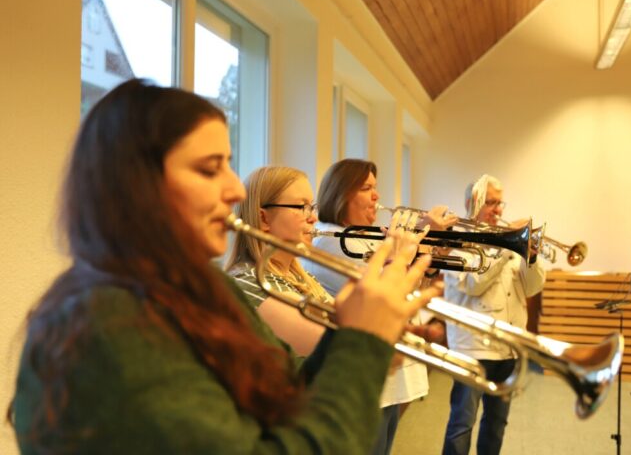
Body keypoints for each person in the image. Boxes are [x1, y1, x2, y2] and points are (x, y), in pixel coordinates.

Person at [9, 79, 443, 454]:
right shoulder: (108, 326)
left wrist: (353, 339)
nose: (235, 189)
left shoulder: (203, 286)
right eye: (209, 169)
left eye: (229, 166)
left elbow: (286, 387)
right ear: (139, 186)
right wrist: (361, 348)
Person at [305, 158, 456, 455]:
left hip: (384, 369)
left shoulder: (364, 237)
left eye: (376, 187)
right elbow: (386, 296)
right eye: (366, 188)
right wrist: (420, 242)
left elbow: (410, 294)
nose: (377, 196)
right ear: (340, 194)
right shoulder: (334, 241)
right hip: (362, 371)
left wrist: (426, 259)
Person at [441, 174, 545, 455]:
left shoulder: (509, 241)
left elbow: (533, 287)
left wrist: (530, 255)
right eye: (491, 202)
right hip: (472, 348)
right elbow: (474, 285)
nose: (498, 209)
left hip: (508, 348)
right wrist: (504, 246)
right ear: (471, 203)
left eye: (500, 203)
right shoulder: (457, 239)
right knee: (462, 422)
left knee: (497, 423)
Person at [225, 165, 330, 356]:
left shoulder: (300, 277)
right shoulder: (248, 282)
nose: (313, 218)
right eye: (302, 207)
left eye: (312, 207)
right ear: (263, 219)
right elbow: (337, 347)